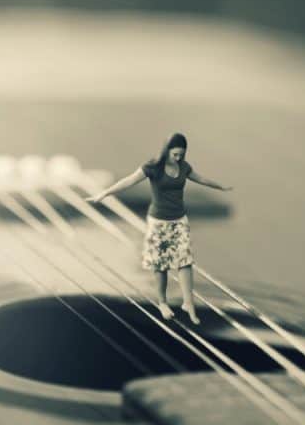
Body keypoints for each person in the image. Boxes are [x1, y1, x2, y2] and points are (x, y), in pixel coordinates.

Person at [86, 133, 234, 324]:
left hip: (179, 219)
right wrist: (104, 193)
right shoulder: (153, 167)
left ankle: (188, 302)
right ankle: (162, 302)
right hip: (158, 221)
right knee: (160, 264)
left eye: (182, 154)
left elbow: (201, 179)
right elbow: (129, 181)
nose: (178, 158)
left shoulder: (184, 167)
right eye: (175, 154)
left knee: (185, 261)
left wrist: (220, 186)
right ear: (166, 151)